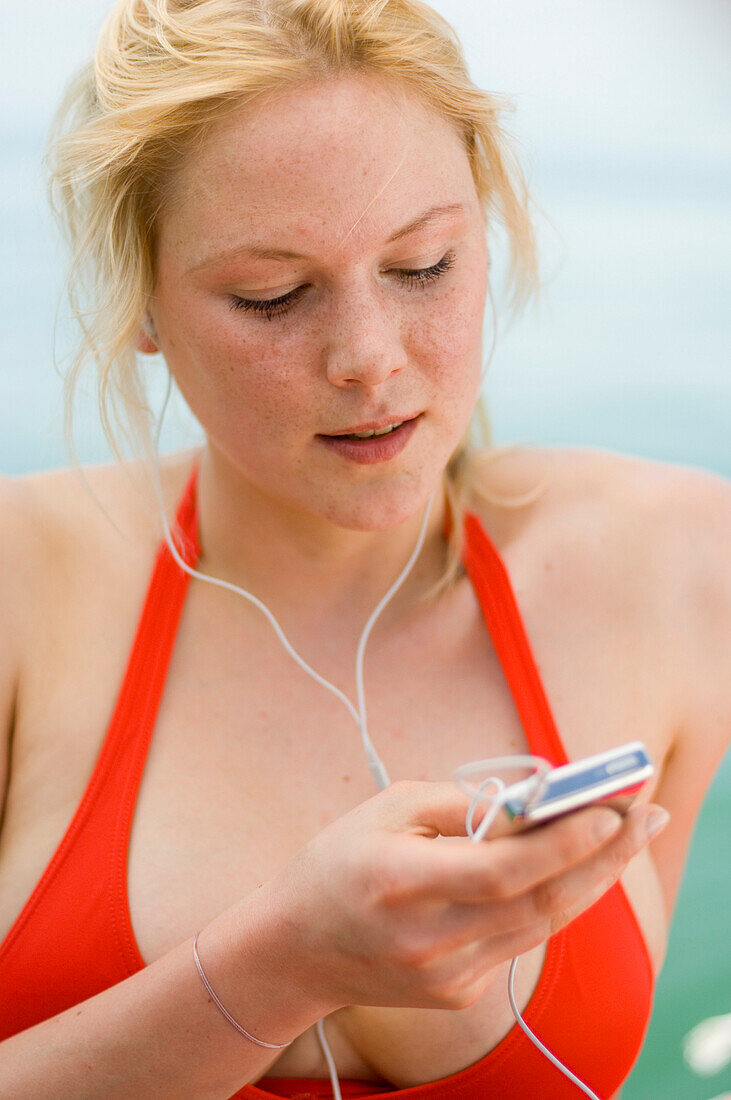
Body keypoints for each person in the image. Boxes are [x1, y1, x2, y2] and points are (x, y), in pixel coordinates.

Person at [0, 1, 728, 1097]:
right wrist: (276, 964)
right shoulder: (25, 580)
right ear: (142, 299)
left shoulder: (678, 560)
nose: (368, 358)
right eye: (271, 294)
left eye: (422, 265)